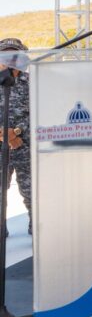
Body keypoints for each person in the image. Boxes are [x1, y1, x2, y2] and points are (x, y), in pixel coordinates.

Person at [0, 38, 31, 235]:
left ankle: (36, 225)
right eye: (5, 55)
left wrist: (16, 132)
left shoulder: (32, 82)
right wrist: (5, 135)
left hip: (25, 145)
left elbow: (41, 111)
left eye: (14, 55)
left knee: (30, 191)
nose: (10, 60)